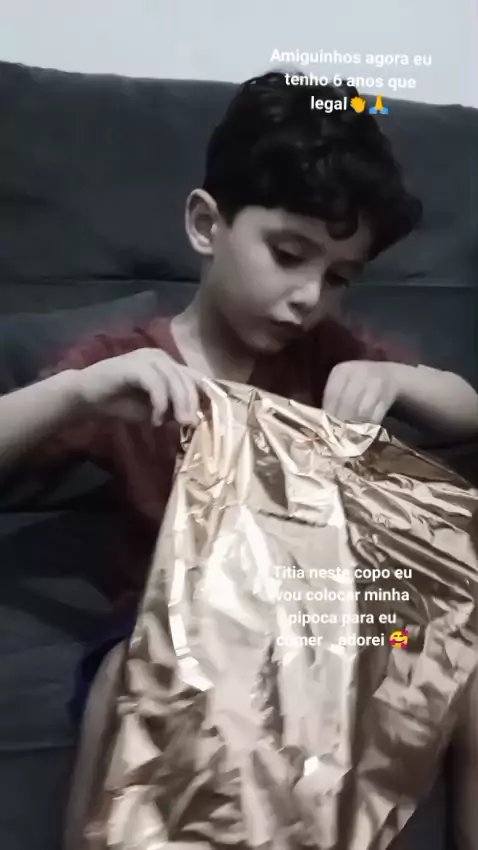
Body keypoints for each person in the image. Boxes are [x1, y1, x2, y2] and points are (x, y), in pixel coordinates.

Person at [1, 69, 478, 682]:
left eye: (338, 278)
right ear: (207, 225)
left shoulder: (327, 351)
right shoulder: (129, 367)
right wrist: (74, 394)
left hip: (319, 607)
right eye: (288, 255)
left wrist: (399, 382)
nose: (309, 296)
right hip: (178, 614)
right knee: (127, 670)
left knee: (446, 648)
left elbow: (468, 410)